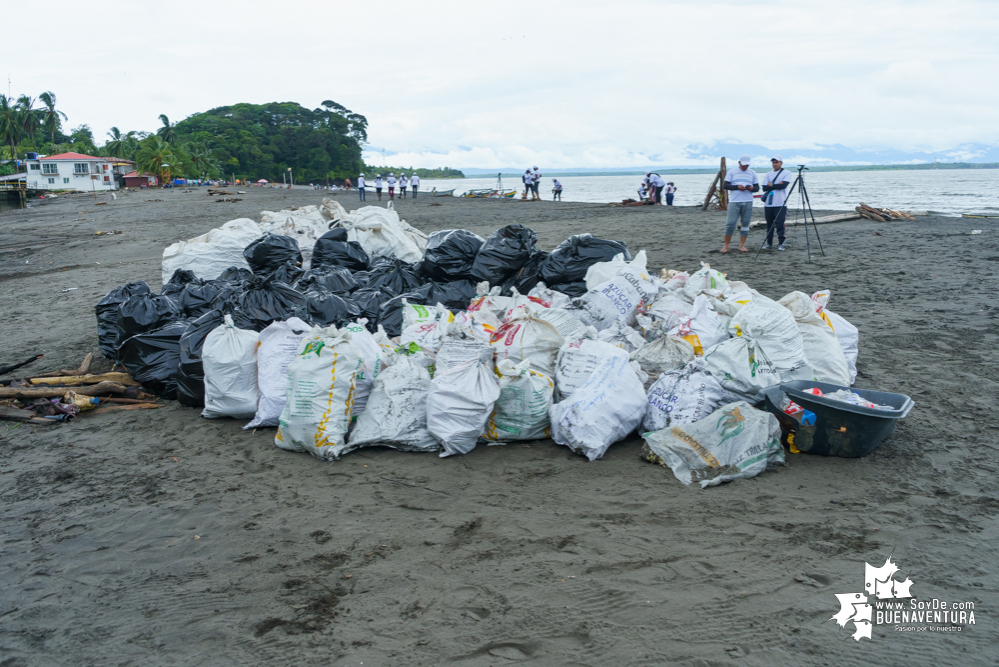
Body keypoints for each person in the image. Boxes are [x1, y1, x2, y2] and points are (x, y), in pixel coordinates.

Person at [721, 154, 759, 253]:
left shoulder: (752, 173)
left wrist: (751, 188)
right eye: (743, 165)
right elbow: (725, 185)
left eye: (747, 165)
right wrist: (737, 187)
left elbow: (757, 188)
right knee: (730, 224)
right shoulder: (732, 172)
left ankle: (741, 246)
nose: (745, 167)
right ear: (739, 163)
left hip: (748, 200)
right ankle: (726, 246)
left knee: (745, 223)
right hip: (734, 201)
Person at [761, 155, 791, 250]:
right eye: (773, 162)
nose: (774, 164)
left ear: (781, 163)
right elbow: (764, 188)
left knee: (780, 224)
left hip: (780, 202)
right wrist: (776, 185)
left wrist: (772, 184)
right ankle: (769, 243)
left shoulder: (786, 173)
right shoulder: (768, 174)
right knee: (769, 224)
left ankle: (781, 243)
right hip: (769, 204)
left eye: (776, 162)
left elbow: (783, 186)